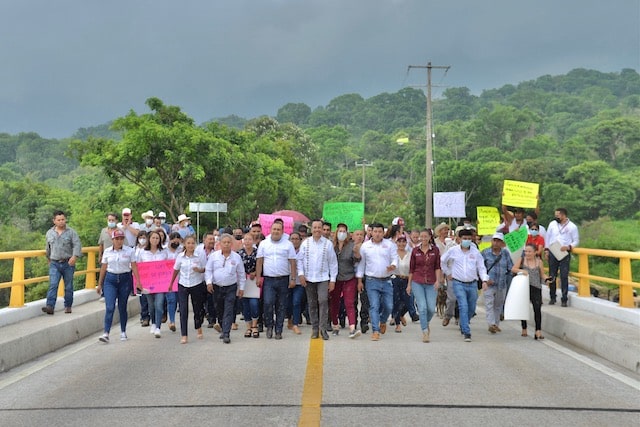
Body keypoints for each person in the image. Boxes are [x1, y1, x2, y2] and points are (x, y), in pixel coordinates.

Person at [441, 228, 489, 342]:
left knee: (471, 307)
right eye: (464, 239)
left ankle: (464, 323)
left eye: (468, 238)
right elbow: (442, 261)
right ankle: (467, 332)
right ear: (459, 239)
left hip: (472, 283)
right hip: (458, 282)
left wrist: (485, 280)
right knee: (463, 305)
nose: (467, 240)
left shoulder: (475, 252)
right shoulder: (453, 250)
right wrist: (447, 272)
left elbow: (481, 267)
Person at [255, 220, 297, 340]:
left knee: (281, 305)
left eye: (278, 229)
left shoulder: (288, 244)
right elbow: (259, 261)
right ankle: (269, 326)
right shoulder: (264, 243)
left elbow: (293, 262)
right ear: (270, 230)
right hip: (269, 280)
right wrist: (258, 277)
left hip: (283, 279)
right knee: (268, 303)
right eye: (274, 229)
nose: (276, 231)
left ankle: (279, 330)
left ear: (282, 231)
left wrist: (293, 278)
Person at [356, 223, 397, 341]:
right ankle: (375, 330)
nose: (378, 234)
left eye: (380, 231)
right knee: (374, 306)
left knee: (389, 306)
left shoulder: (389, 245)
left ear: (383, 232)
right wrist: (359, 281)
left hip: (387, 280)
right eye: (375, 231)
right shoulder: (365, 246)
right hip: (371, 280)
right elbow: (361, 265)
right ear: (371, 232)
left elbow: (395, 258)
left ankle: (383, 321)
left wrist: (393, 265)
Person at [298, 219, 338, 340]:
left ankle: (323, 328)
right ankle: (315, 329)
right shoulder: (305, 243)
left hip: (323, 278)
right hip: (309, 278)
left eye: (319, 227)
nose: (317, 230)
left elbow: (333, 263)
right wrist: (301, 274)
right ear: (311, 229)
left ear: (322, 229)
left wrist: (333, 280)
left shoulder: (328, 244)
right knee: (312, 303)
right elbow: (299, 260)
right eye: (314, 227)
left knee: (323, 301)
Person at [96, 229, 137, 342]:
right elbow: (104, 268)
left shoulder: (129, 251)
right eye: (117, 239)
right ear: (112, 240)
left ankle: (123, 331)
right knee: (110, 307)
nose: (119, 241)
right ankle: (106, 332)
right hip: (111, 279)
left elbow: (134, 266)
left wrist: (138, 282)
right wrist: (99, 284)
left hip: (124, 279)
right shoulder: (108, 251)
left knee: (122, 306)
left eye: (121, 239)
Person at [205, 234, 246, 344]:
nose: (226, 244)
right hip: (217, 287)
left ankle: (227, 333)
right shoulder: (214, 256)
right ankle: (223, 328)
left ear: (231, 244)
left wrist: (241, 288)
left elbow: (241, 274)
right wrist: (209, 282)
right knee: (219, 309)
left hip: (231, 287)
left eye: (229, 242)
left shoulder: (236, 257)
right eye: (224, 242)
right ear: (220, 244)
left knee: (229, 309)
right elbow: (208, 270)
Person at [42, 210, 82, 315]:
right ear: (54, 221)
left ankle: (68, 305)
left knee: (68, 286)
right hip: (54, 263)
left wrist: (74, 256)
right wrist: (48, 259)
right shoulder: (49, 233)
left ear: (65, 219)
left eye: (63, 219)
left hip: (68, 263)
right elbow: (48, 248)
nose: (61, 222)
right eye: (58, 220)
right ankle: (50, 306)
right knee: (53, 284)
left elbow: (77, 245)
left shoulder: (71, 232)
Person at [169, 235, 206, 344]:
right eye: (188, 243)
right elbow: (176, 270)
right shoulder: (180, 256)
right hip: (183, 284)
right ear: (184, 244)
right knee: (183, 309)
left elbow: (205, 269)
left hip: (196, 284)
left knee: (197, 308)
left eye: (192, 243)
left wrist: (198, 270)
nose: (190, 245)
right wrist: (171, 283)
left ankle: (198, 326)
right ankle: (184, 334)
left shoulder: (199, 255)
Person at [407, 228, 442, 342]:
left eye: (425, 236)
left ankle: (425, 322)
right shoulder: (415, 251)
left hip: (431, 281)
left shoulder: (435, 250)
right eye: (421, 236)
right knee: (422, 307)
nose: (423, 239)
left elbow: (437, 267)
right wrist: (409, 285)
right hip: (417, 281)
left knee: (431, 308)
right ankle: (425, 332)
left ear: (430, 237)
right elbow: (411, 269)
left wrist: (438, 280)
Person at [134, 230, 168, 338]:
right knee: (151, 305)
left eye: (157, 238)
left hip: (160, 284)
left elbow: (168, 267)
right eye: (153, 238)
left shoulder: (164, 252)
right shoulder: (142, 252)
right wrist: (138, 282)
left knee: (159, 304)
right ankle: (153, 322)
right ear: (149, 239)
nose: (155, 240)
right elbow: (137, 267)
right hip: (147, 284)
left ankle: (158, 327)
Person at [331, 223, 361, 338]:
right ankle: (335, 325)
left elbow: (357, 260)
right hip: (335, 278)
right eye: (340, 231)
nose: (342, 233)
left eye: (344, 231)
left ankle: (352, 328)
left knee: (349, 303)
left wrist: (357, 252)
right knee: (335, 303)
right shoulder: (331, 246)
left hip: (349, 278)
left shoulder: (351, 245)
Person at [545, 207, 579, 307]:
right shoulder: (552, 224)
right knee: (552, 275)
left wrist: (569, 247)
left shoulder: (572, 227)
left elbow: (576, 240)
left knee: (564, 276)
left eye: (558, 215)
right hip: (553, 250)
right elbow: (548, 237)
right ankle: (552, 297)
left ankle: (564, 298)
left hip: (564, 252)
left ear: (563, 215)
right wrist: (546, 250)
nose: (556, 217)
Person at [513, 243, 548, 339]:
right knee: (524, 308)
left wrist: (547, 279)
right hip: (524, 287)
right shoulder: (522, 260)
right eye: (526, 251)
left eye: (529, 251)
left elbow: (542, 274)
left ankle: (538, 330)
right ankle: (524, 328)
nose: (527, 254)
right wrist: (522, 271)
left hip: (536, 287)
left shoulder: (539, 262)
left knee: (537, 309)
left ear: (535, 252)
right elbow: (514, 269)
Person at [481, 233, 514, 335]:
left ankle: (496, 324)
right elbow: (480, 268)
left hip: (501, 284)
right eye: (494, 240)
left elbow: (510, 267)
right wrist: (485, 279)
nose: (496, 243)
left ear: (502, 243)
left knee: (498, 305)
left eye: (498, 241)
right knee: (489, 304)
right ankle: (491, 324)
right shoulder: (485, 253)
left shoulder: (505, 254)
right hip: (489, 284)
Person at [434, 222, 456, 326]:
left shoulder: (451, 242)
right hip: (439, 267)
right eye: (444, 230)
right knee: (441, 291)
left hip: (450, 267)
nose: (446, 232)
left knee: (451, 293)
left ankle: (452, 311)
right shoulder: (435, 242)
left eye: (447, 230)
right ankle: (440, 309)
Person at [238, 234, 260, 338]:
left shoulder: (257, 252)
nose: (247, 241)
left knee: (254, 303)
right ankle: (248, 327)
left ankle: (255, 325)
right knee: (245, 305)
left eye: (249, 239)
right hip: (243, 281)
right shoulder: (239, 253)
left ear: (253, 240)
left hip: (254, 281)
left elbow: (261, 265)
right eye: (245, 239)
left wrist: (255, 272)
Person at [391, 235, 412, 332]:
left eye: (403, 242)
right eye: (399, 242)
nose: (401, 244)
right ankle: (397, 324)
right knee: (397, 301)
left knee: (407, 302)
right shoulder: (393, 254)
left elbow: (412, 269)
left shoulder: (410, 254)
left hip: (407, 279)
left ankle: (400, 315)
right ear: (396, 243)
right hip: (395, 278)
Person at [351, 228, 370, 333]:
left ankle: (364, 321)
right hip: (351, 276)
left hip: (364, 276)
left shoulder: (367, 247)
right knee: (352, 301)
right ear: (352, 236)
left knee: (365, 300)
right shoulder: (349, 247)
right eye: (357, 234)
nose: (359, 236)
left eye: (361, 234)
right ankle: (353, 321)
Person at [287, 232, 305, 335]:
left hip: (299, 281)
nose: (294, 241)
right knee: (288, 303)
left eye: (296, 239)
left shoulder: (303, 251)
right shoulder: (286, 251)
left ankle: (295, 324)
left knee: (296, 301)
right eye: (292, 239)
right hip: (287, 280)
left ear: (300, 240)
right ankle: (289, 318)